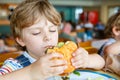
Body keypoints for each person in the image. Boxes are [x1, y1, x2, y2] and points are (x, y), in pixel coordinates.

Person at [0, 0, 105, 80]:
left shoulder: (65, 57)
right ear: (21, 40)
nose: (48, 37)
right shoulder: (14, 65)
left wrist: (86, 60)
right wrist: (31, 72)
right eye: (36, 32)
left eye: (52, 30)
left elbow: (101, 61)